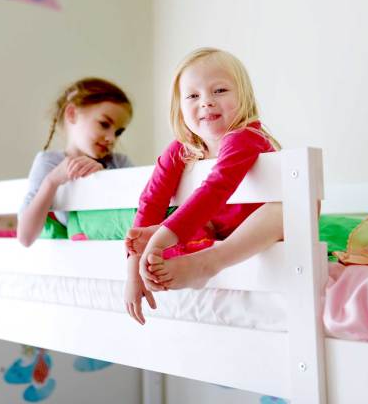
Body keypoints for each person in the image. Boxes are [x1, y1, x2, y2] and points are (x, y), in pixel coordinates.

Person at [124, 48, 281, 325]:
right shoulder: (181, 151)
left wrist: (163, 235)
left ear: (244, 96)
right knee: (161, 226)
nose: (206, 102)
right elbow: (150, 202)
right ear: (180, 107)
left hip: (258, 233)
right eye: (193, 96)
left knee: (285, 210)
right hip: (214, 231)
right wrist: (134, 271)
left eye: (219, 90)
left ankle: (207, 263)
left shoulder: (246, 137)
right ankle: (191, 249)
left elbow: (216, 188)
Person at [17, 78, 133, 247]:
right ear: (72, 114)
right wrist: (52, 181)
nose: (111, 138)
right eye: (104, 124)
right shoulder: (50, 163)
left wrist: (104, 177)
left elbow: (139, 209)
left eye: (118, 132)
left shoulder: (119, 162)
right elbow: (25, 237)